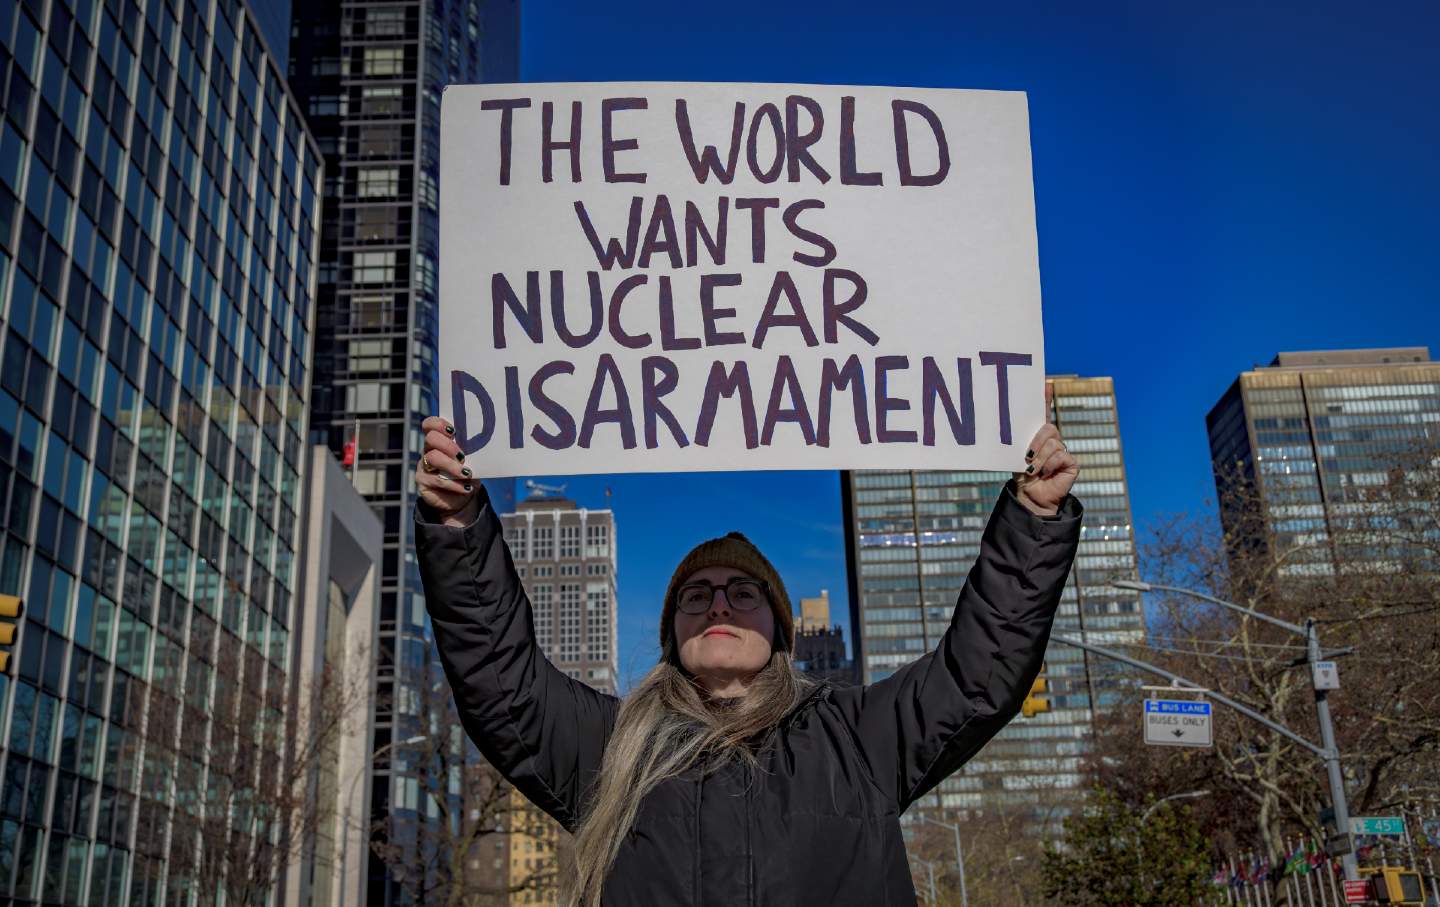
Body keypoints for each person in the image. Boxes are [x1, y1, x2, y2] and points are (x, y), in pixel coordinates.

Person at [413, 414, 1081, 906]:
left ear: (780, 630)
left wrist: (1032, 519)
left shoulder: (861, 737)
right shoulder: (610, 748)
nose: (718, 604)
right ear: (673, 631)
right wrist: (457, 528)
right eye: (696, 594)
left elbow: (977, 675)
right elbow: (502, 686)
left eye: (743, 591)